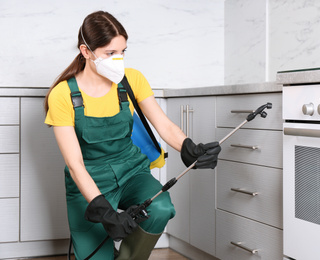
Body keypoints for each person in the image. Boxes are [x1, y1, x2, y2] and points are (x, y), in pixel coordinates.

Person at [44, 10, 221, 260]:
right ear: (86, 52)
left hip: (131, 172)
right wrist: (104, 211)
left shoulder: (131, 80)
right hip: (89, 180)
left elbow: (164, 125)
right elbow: (75, 166)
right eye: (110, 53)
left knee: (161, 207)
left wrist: (188, 146)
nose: (119, 59)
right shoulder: (63, 95)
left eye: (122, 51)